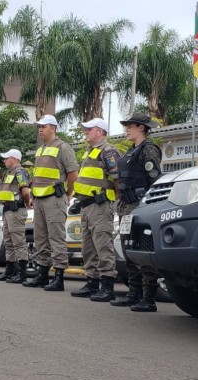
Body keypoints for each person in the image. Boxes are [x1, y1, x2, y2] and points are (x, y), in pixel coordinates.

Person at [113, 112, 163, 311]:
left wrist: (149, 206)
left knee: (142, 251)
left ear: (141, 127)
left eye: (130, 126)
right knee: (129, 251)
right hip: (126, 206)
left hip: (140, 206)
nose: (126, 130)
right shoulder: (130, 152)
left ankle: (148, 297)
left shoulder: (148, 149)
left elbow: (155, 180)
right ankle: (134, 293)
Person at [23, 114, 79, 291]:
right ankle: (42, 274)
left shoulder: (63, 147)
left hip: (55, 199)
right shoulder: (40, 149)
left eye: (44, 126)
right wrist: (32, 196)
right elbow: (38, 176)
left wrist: (68, 194)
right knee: (40, 239)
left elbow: (73, 174)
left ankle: (59, 276)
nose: (40, 129)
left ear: (53, 128)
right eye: (39, 127)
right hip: (39, 199)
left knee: (56, 237)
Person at [69, 118, 121, 302]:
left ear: (100, 131)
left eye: (89, 129)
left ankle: (107, 286)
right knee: (88, 248)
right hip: (86, 205)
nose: (86, 132)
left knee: (102, 245)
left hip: (100, 205)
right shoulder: (90, 153)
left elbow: (117, 179)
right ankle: (92, 282)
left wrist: (113, 199)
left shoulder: (108, 151)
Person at [0, 149, 32, 284]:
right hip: (8, 210)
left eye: (6, 158)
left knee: (18, 242)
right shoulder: (9, 173)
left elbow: (25, 191)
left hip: (16, 210)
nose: (4, 161)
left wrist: (27, 203)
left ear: (15, 159)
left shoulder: (20, 172)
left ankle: (22, 273)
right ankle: (10, 270)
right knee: (9, 242)